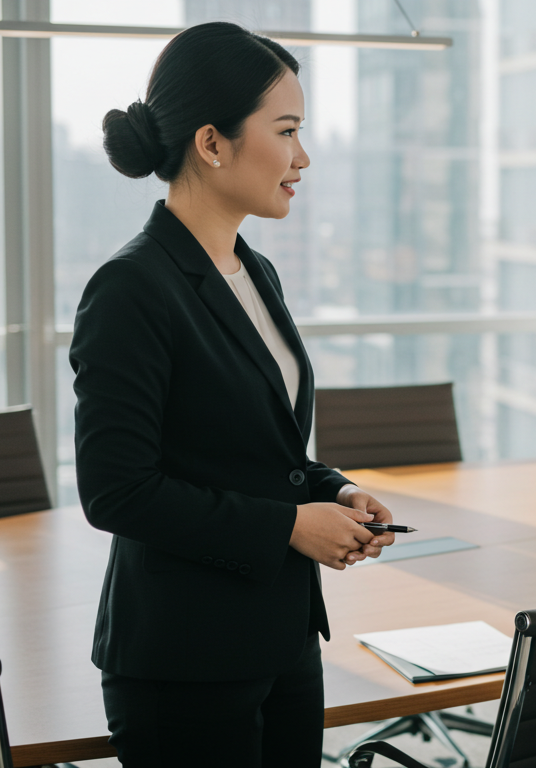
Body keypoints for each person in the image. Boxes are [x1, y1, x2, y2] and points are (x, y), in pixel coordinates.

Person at [70, 22, 395, 767]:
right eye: (286, 131)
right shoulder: (132, 288)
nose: (302, 157)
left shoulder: (255, 272)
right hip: (184, 660)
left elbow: (256, 451)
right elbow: (116, 491)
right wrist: (287, 526)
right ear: (211, 143)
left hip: (281, 640)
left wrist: (333, 491)